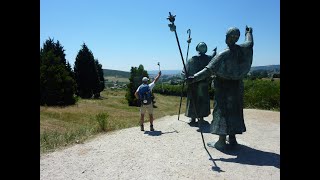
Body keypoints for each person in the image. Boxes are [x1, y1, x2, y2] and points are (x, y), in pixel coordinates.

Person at [187, 26, 254, 150]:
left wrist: (194, 78)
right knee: (234, 111)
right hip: (237, 87)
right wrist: (249, 33)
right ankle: (232, 139)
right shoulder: (242, 49)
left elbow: (208, 70)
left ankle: (221, 141)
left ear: (227, 38)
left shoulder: (223, 54)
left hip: (224, 88)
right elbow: (250, 43)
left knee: (221, 112)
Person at [182, 42, 217, 125]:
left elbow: (184, 72)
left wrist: (186, 78)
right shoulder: (208, 59)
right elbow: (213, 59)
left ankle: (193, 118)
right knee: (201, 100)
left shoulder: (191, 59)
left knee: (194, 100)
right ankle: (200, 118)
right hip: (202, 84)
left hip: (193, 83)